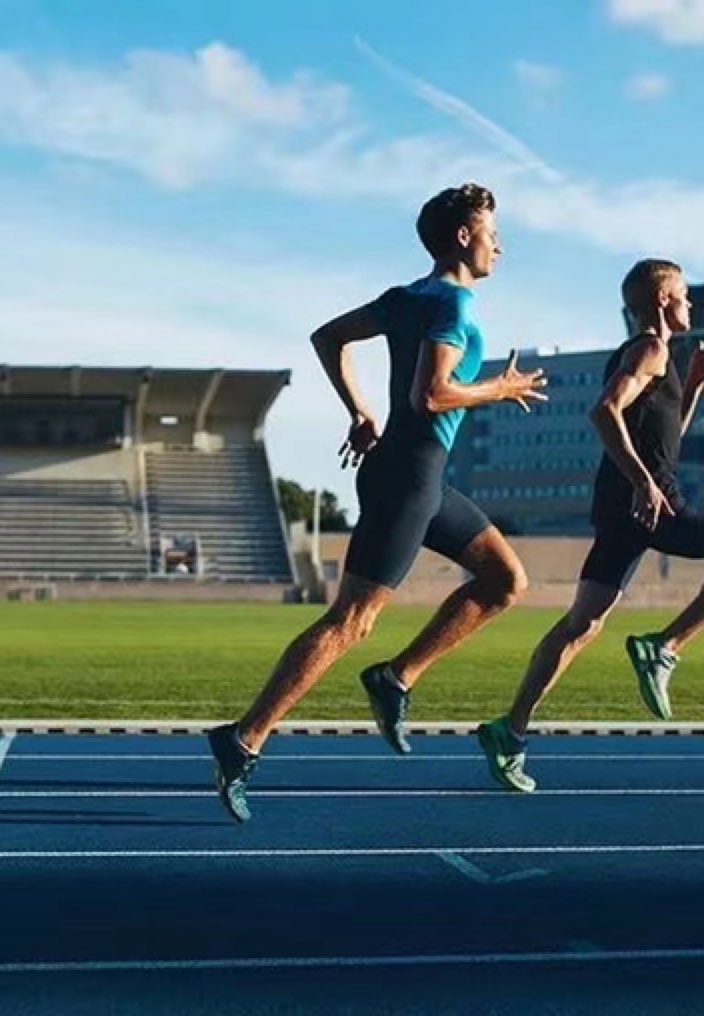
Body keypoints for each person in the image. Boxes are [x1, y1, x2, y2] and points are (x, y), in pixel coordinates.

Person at [207, 183, 548, 821]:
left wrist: (360, 410)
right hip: (408, 480)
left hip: (418, 474)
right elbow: (433, 395)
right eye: (492, 231)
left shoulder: (404, 298)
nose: (500, 244)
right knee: (350, 623)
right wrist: (498, 387)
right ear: (463, 238)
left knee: (505, 579)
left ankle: (396, 678)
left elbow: (326, 336)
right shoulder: (454, 308)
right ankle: (243, 739)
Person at [476, 258, 704, 793]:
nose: (691, 305)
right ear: (663, 300)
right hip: (652, 504)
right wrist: (644, 483)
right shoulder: (651, 349)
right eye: (684, 295)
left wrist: (698, 385)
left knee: (581, 624)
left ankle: (510, 730)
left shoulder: (657, 358)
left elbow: (661, 442)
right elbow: (604, 412)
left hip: (623, 509)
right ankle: (665, 647)